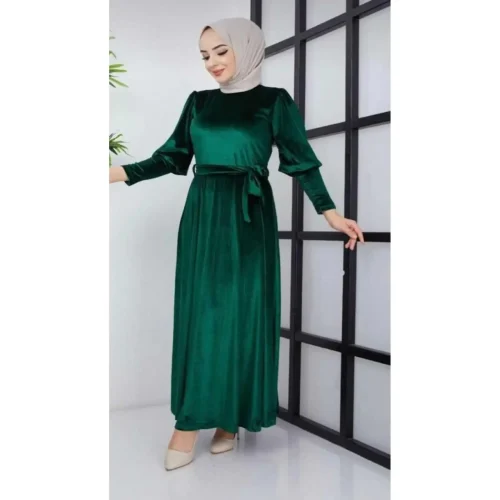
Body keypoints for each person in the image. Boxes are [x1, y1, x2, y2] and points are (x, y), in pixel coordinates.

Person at [109, 17, 364, 471]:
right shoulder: (199, 102)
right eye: (204, 55)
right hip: (204, 212)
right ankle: (189, 422)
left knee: (243, 314)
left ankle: (230, 420)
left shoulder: (274, 102)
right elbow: (171, 157)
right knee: (202, 312)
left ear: (247, 48)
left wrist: (330, 213)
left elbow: (301, 162)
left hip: (250, 216)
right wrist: (114, 173)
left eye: (221, 51)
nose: (212, 62)